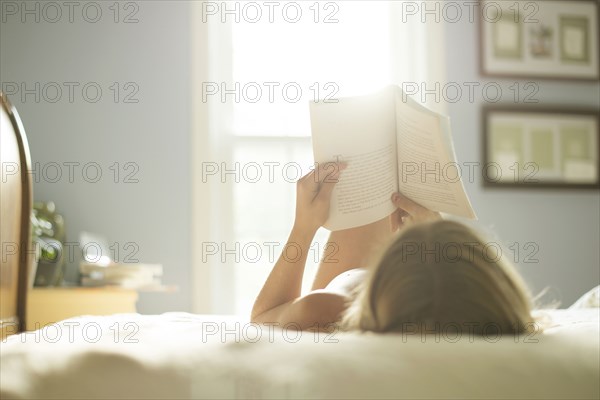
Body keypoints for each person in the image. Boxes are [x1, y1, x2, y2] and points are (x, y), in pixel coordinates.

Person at [251, 162, 536, 335]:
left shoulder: (331, 310)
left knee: (372, 187)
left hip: (351, 292)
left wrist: (303, 228)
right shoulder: (493, 315)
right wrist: (435, 235)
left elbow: (263, 319)